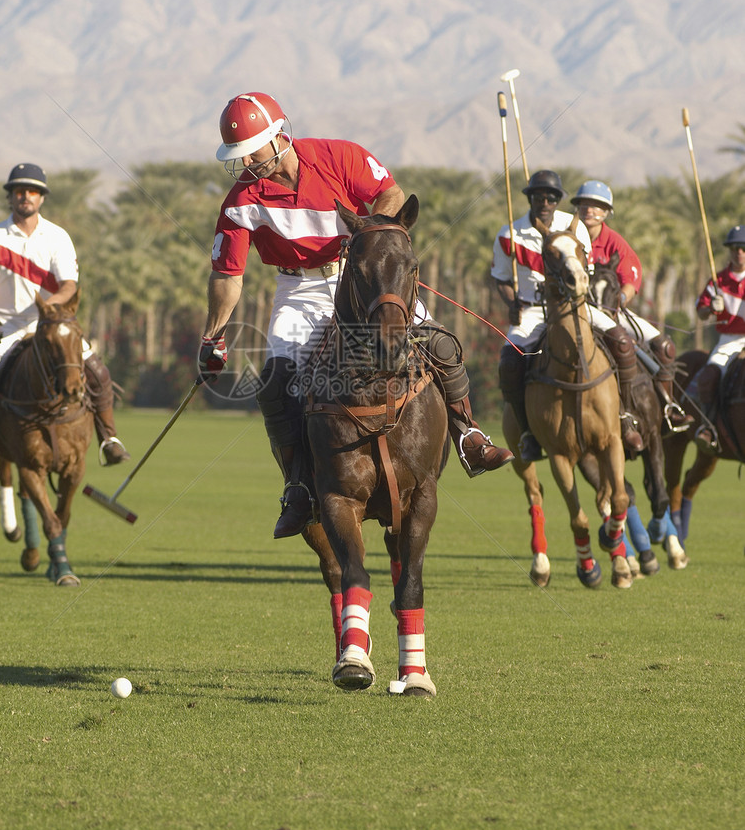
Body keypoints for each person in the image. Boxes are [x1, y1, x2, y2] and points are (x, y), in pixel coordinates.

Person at [200, 91, 512, 540]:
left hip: (361, 275)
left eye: (253, 150)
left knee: (440, 343)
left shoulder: (338, 156)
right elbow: (228, 275)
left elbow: (391, 195)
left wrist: (365, 238)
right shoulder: (241, 200)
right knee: (273, 381)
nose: (247, 161)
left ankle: (468, 437)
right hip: (299, 288)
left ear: (278, 136)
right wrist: (214, 336)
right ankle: (299, 487)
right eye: (239, 155)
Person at [0, 163, 129, 480]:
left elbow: (69, 286)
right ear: (10, 197)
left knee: (98, 373)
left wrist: (48, 309)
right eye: (19, 191)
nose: (25, 196)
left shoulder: (57, 237)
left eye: (32, 191)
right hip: (6, 331)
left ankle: (109, 439)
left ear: (41, 198)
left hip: (52, 327)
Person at [493, 169, 645, 461]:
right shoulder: (509, 234)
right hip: (531, 310)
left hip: (575, 306)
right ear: (531, 199)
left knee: (622, 343)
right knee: (509, 362)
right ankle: (528, 434)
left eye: (551, 197)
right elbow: (500, 278)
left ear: (558, 199)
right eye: (539, 197)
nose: (545, 202)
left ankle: (625, 416)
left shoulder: (573, 226)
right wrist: (511, 302)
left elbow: (585, 273)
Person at [571, 180, 690, 432]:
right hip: (577, 313)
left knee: (665, 347)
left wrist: (620, 300)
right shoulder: (569, 239)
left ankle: (668, 407)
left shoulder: (615, 242)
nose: (589, 210)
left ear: (606, 212)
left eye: (596, 205)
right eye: (584, 204)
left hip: (612, 312)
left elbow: (630, 281)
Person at [688, 225, 745, 452]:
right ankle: (708, 427)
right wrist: (711, 308)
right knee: (710, 375)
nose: (738, 252)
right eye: (734, 248)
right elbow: (700, 312)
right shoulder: (717, 280)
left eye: (742, 248)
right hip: (728, 340)